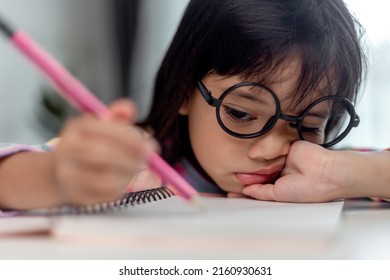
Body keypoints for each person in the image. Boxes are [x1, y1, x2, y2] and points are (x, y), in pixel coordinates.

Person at [0, 0, 387, 211]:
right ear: (185, 88)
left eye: (309, 123)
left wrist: (346, 171)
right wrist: (55, 176)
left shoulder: (319, 174)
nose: (271, 150)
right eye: (240, 113)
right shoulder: (128, 166)